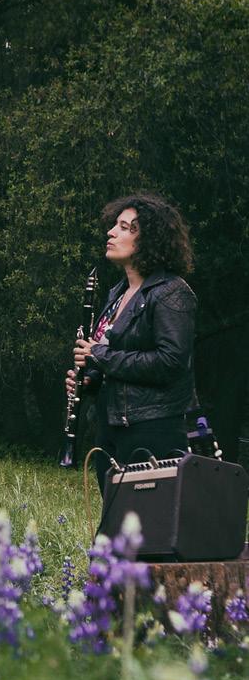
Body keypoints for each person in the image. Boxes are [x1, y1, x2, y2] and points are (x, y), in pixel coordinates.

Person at [70, 193, 196, 493]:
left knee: (147, 519)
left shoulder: (171, 292)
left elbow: (170, 362)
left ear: (149, 240)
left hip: (151, 428)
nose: (112, 232)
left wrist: (99, 355)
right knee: (114, 518)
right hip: (113, 425)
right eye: (116, 225)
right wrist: (89, 382)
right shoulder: (117, 294)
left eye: (125, 227)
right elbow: (116, 364)